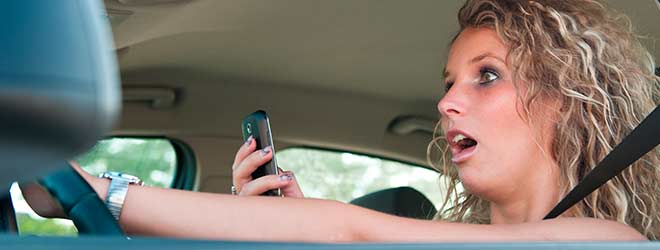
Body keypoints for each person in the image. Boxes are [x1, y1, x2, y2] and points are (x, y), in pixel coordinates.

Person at [25, 0, 659, 241]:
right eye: (449, 83)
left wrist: (101, 193)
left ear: (567, 98)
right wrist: (282, 229)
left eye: (486, 75)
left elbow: (352, 230)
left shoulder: (604, 241)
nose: (446, 104)